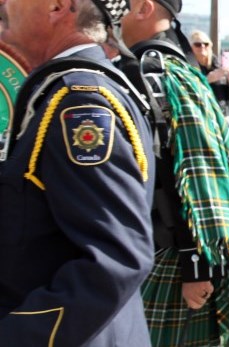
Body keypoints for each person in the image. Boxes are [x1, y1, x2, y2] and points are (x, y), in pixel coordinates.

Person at [0, 0, 156, 345]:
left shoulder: (80, 102)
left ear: (57, 6)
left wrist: (15, 336)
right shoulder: (64, 90)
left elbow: (116, 259)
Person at [119, 0, 229, 344]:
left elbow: (193, 173)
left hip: (171, 254)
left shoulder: (156, 70)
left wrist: (196, 266)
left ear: (144, 8)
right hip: (170, 251)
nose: (111, 13)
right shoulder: (170, 66)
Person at [189, 30, 229, 109]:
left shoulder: (217, 65)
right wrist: (207, 80)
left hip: (219, 110)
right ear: (190, 47)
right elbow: (188, 90)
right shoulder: (188, 65)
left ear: (210, 46)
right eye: (197, 44)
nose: (202, 46)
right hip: (198, 109)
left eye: (206, 44)